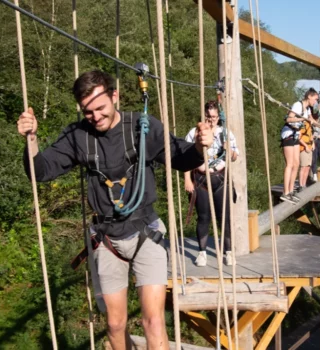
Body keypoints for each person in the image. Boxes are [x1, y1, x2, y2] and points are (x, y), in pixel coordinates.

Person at [17, 70, 213, 350]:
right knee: (115, 324)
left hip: (147, 231)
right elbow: (41, 171)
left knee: (153, 321)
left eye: (100, 108)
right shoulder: (78, 136)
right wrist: (31, 139)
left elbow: (180, 157)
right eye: (88, 112)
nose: (95, 116)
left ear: (115, 96)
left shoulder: (141, 127)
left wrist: (198, 147)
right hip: (106, 237)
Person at [184, 101, 239, 267]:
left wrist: (228, 150)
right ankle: (202, 253)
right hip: (201, 179)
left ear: (218, 117)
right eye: (208, 116)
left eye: (214, 117)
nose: (211, 120)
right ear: (204, 115)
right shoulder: (194, 133)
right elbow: (185, 158)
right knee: (203, 217)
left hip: (220, 179)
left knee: (225, 217)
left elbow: (235, 156)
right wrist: (187, 179)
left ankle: (228, 251)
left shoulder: (225, 133)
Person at [280, 88, 319, 203]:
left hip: (296, 135)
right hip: (289, 133)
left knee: (296, 164)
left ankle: (291, 191)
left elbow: (311, 119)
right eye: (315, 99)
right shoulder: (298, 105)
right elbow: (289, 119)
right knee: (290, 164)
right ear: (309, 96)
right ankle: (285, 192)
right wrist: (302, 118)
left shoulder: (307, 109)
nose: (315, 102)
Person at [298, 111, 314, 190]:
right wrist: (305, 146)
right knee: (303, 166)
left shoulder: (310, 125)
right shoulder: (303, 124)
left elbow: (311, 136)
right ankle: (301, 185)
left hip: (310, 147)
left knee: (308, 167)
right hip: (304, 148)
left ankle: (304, 184)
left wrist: (313, 143)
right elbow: (299, 137)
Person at [310, 108, 320, 182]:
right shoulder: (311, 124)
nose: (316, 118)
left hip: (319, 141)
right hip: (314, 141)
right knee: (314, 158)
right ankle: (314, 174)